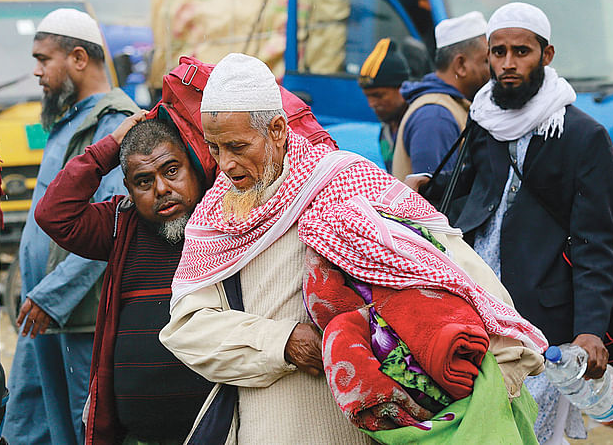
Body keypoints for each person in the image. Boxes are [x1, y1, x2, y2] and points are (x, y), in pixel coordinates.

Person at [160, 53, 546, 443]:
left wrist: (508, 363)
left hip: (355, 428)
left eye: (237, 146)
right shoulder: (213, 216)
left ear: (277, 129)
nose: (225, 163)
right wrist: (282, 343)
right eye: (214, 148)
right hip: (268, 425)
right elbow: (187, 328)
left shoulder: (347, 183)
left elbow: (452, 269)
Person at [425, 3, 613, 443]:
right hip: (479, 312)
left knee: (535, 434)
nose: (508, 64)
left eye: (521, 52)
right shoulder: (484, 120)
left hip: (543, 322)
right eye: (498, 52)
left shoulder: (583, 136)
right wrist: (427, 192)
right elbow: (470, 195)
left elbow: (595, 242)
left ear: (546, 55)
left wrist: (590, 330)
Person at [34, 114, 215, 444]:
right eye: (144, 181)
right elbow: (53, 214)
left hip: (216, 431)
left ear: (193, 167)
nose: (162, 189)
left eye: (171, 170)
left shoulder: (219, 221)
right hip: (135, 436)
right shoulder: (119, 225)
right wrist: (110, 146)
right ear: (128, 189)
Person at [3, 8, 138, 445]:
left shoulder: (114, 123)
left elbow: (111, 225)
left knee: (85, 428)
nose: (37, 72)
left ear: (79, 58)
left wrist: (52, 295)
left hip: (79, 317)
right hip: (47, 313)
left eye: (44, 59)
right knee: (35, 424)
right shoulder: (71, 119)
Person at [392, 11, 490, 182]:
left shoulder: (451, 105)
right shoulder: (436, 116)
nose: (496, 69)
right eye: (486, 62)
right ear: (460, 65)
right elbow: (433, 200)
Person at [358, 38, 411, 171]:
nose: (371, 104)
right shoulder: (387, 128)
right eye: (367, 96)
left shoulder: (419, 123)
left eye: (378, 95)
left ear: (402, 88)